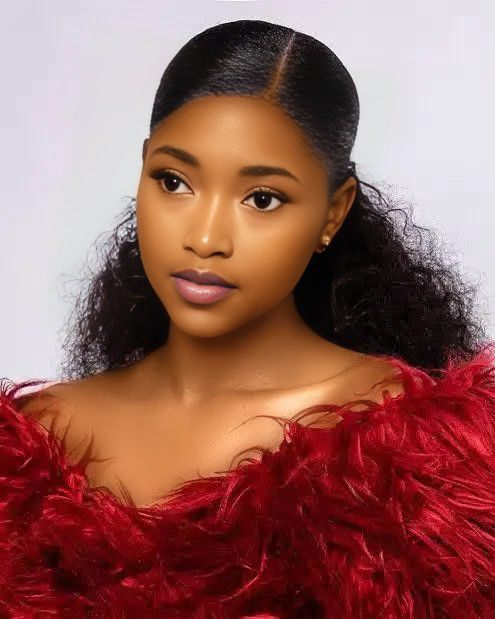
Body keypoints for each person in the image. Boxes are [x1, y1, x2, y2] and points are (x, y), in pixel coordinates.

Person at [1, 18, 494, 618]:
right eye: (173, 181)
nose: (206, 238)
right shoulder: (28, 444)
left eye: (262, 199)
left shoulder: (421, 462)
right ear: (141, 169)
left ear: (334, 213)